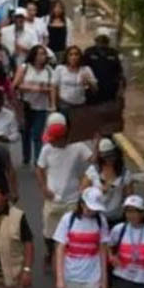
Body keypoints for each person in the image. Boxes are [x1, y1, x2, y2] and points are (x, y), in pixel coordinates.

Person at [55, 187, 110, 288]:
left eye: (93, 208)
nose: (90, 211)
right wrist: (60, 278)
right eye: (87, 207)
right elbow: (60, 248)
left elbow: (102, 250)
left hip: (92, 277)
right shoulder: (68, 219)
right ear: (81, 203)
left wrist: (104, 279)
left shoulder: (101, 221)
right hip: (70, 276)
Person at [36, 113, 93, 271]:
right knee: (49, 232)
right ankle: (49, 253)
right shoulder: (47, 149)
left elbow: (93, 162)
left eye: (53, 139)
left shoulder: (78, 147)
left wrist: (98, 142)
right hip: (52, 198)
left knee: (71, 233)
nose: (51, 142)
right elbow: (39, 169)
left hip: (72, 199)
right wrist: (43, 188)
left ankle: (67, 261)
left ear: (63, 138)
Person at [14, 44, 56, 164]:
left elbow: (52, 88)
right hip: (26, 105)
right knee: (25, 132)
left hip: (41, 106)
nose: (42, 56)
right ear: (34, 55)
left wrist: (52, 105)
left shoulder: (48, 70)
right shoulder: (25, 67)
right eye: (40, 54)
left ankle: (38, 159)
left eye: (44, 54)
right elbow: (16, 85)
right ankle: (26, 156)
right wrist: (36, 88)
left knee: (37, 134)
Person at [82, 138, 133, 226]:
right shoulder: (93, 171)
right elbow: (83, 191)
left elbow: (129, 197)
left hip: (116, 218)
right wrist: (98, 192)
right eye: (106, 157)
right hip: (96, 217)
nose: (109, 159)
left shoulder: (125, 174)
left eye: (112, 156)